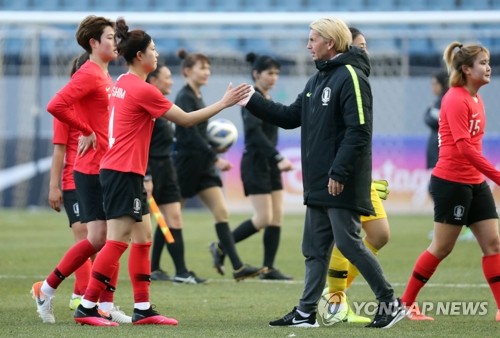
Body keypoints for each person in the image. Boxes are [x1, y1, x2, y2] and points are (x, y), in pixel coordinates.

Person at [73, 18, 251, 326]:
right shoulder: (142, 89)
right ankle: (87, 306)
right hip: (121, 171)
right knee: (117, 240)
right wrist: (224, 103)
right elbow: (185, 120)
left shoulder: (122, 84)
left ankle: (142, 308)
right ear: (140, 56)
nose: (157, 54)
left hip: (125, 171)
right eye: (153, 49)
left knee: (143, 237)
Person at [239, 17, 405, 329]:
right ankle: (305, 312)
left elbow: (359, 131)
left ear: (330, 42)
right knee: (314, 250)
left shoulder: (351, 77)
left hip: (340, 182)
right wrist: (252, 100)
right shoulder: (317, 81)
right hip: (318, 181)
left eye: (313, 39)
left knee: (350, 243)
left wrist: (339, 173)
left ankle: (390, 302)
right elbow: (290, 116)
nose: (308, 45)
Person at [32, 15, 130, 324]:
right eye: (110, 38)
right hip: (90, 168)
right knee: (101, 238)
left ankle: (103, 304)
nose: (115, 43)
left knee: (109, 238)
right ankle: (48, 289)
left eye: (116, 37)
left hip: (108, 164)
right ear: (93, 43)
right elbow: (56, 105)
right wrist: (85, 128)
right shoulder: (88, 73)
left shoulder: (104, 74)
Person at [401, 41, 500, 322]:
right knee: (442, 248)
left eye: (488, 61)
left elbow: (474, 149)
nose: (489, 67)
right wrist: (497, 177)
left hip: (474, 183)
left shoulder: (477, 99)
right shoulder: (455, 98)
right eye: (483, 62)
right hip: (452, 183)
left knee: (492, 244)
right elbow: (465, 149)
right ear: (467, 69)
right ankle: (406, 303)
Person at [174, 49, 263, 281]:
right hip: (186, 165)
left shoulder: (198, 96)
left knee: (222, 212)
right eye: (202, 68)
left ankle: (238, 266)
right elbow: (191, 134)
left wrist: (213, 151)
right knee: (173, 216)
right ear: (186, 71)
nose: (207, 72)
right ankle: (160, 268)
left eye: (208, 68)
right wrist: (215, 157)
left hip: (203, 165)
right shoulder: (184, 97)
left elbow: (200, 135)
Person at [324, 26, 391, 324]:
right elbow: (350, 132)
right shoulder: (344, 77)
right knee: (348, 238)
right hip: (345, 172)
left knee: (378, 234)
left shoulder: (357, 77)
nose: (364, 51)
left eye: (365, 45)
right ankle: (335, 301)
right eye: (358, 45)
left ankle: (334, 298)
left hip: (357, 171)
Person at [210, 52, 294, 280]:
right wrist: (278, 157)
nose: (274, 77)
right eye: (269, 73)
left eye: (277, 73)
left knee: (277, 218)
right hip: (257, 163)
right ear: (256, 74)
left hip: (270, 163)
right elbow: (255, 135)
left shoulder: (267, 99)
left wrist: (275, 160)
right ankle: (220, 246)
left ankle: (268, 268)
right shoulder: (252, 98)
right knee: (264, 218)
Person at [145, 63, 206, 284]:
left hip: (167, 168)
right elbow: (141, 145)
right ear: (154, 81)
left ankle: (181, 272)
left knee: (174, 217)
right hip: (150, 170)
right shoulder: (146, 106)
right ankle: (149, 269)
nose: (171, 81)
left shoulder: (163, 106)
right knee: (146, 225)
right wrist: (147, 175)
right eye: (167, 77)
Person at [47, 52, 92, 311]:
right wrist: (54, 186)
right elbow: (59, 149)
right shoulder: (66, 104)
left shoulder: (99, 102)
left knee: (99, 240)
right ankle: (84, 297)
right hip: (73, 180)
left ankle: (81, 293)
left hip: (97, 178)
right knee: (84, 237)